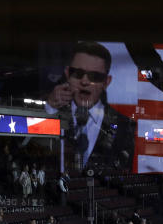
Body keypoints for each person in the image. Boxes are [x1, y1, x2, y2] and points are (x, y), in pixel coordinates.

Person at [45, 41, 135, 173]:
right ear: (67, 74)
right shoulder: (51, 109)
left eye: (95, 76)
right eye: (78, 73)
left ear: (106, 82)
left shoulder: (122, 124)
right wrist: (49, 108)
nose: (85, 82)